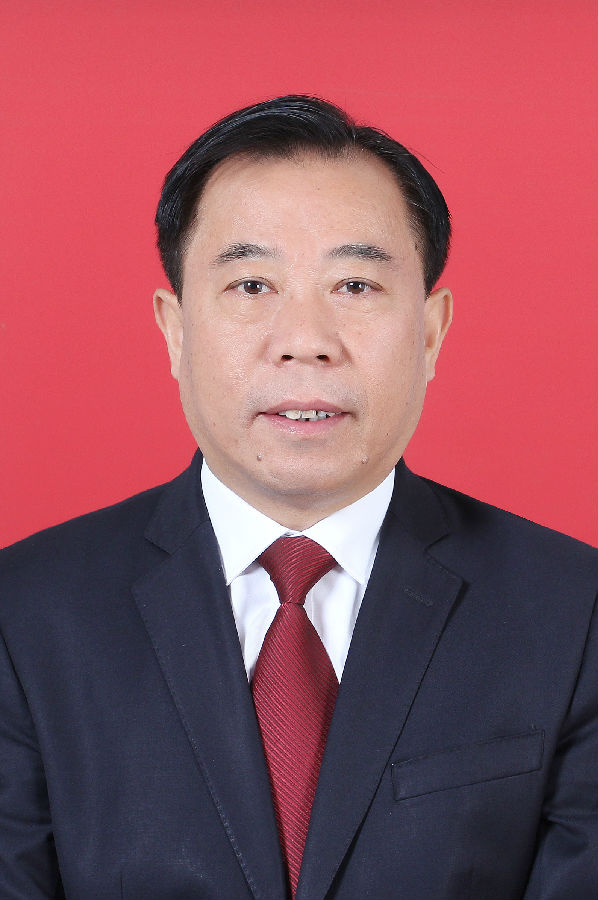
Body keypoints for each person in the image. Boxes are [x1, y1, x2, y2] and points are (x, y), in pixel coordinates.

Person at [0, 95, 595, 900]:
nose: (305, 340)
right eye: (252, 284)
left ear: (430, 332)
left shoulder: (574, 614)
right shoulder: (24, 615)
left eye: (355, 284)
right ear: (175, 330)